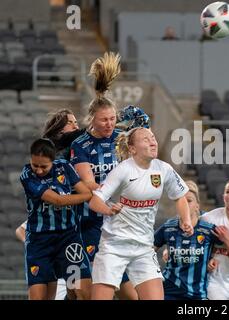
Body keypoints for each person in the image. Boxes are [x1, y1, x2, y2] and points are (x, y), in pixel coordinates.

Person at [70, 52, 145, 300]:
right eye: (104, 120)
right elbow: (90, 184)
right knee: (89, 291)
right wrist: (113, 194)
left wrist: (141, 123)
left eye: (113, 119)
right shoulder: (80, 145)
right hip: (91, 223)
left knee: (130, 294)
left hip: (121, 223)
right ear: (92, 119)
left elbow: (145, 145)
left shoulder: (122, 139)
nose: (110, 124)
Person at [88, 127, 193, 300]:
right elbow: (95, 201)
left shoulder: (163, 169)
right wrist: (108, 209)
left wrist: (186, 219)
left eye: (153, 137)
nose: (153, 141)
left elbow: (180, 196)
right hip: (114, 245)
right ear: (132, 148)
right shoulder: (123, 170)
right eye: (145, 139)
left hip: (144, 247)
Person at [154, 180, 229, 300]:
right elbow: (153, 247)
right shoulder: (206, 218)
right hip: (209, 284)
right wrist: (171, 249)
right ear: (223, 196)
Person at [19, 138, 92, 300]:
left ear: (53, 161)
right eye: (35, 165)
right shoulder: (26, 175)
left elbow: (87, 193)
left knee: (82, 292)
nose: (38, 170)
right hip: (39, 242)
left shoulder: (65, 167)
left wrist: (84, 195)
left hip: (68, 238)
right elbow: (58, 200)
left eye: (43, 166)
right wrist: (82, 196)